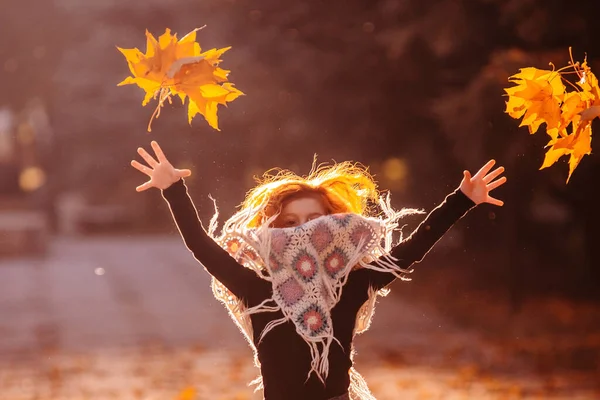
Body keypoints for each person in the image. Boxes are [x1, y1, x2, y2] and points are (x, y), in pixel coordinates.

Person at [131, 141, 507, 400]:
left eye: (315, 220)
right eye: (291, 221)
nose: (303, 230)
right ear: (272, 228)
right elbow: (200, 243)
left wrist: (460, 201)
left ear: (335, 224)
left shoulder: (355, 283)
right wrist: (174, 190)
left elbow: (410, 252)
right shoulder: (256, 288)